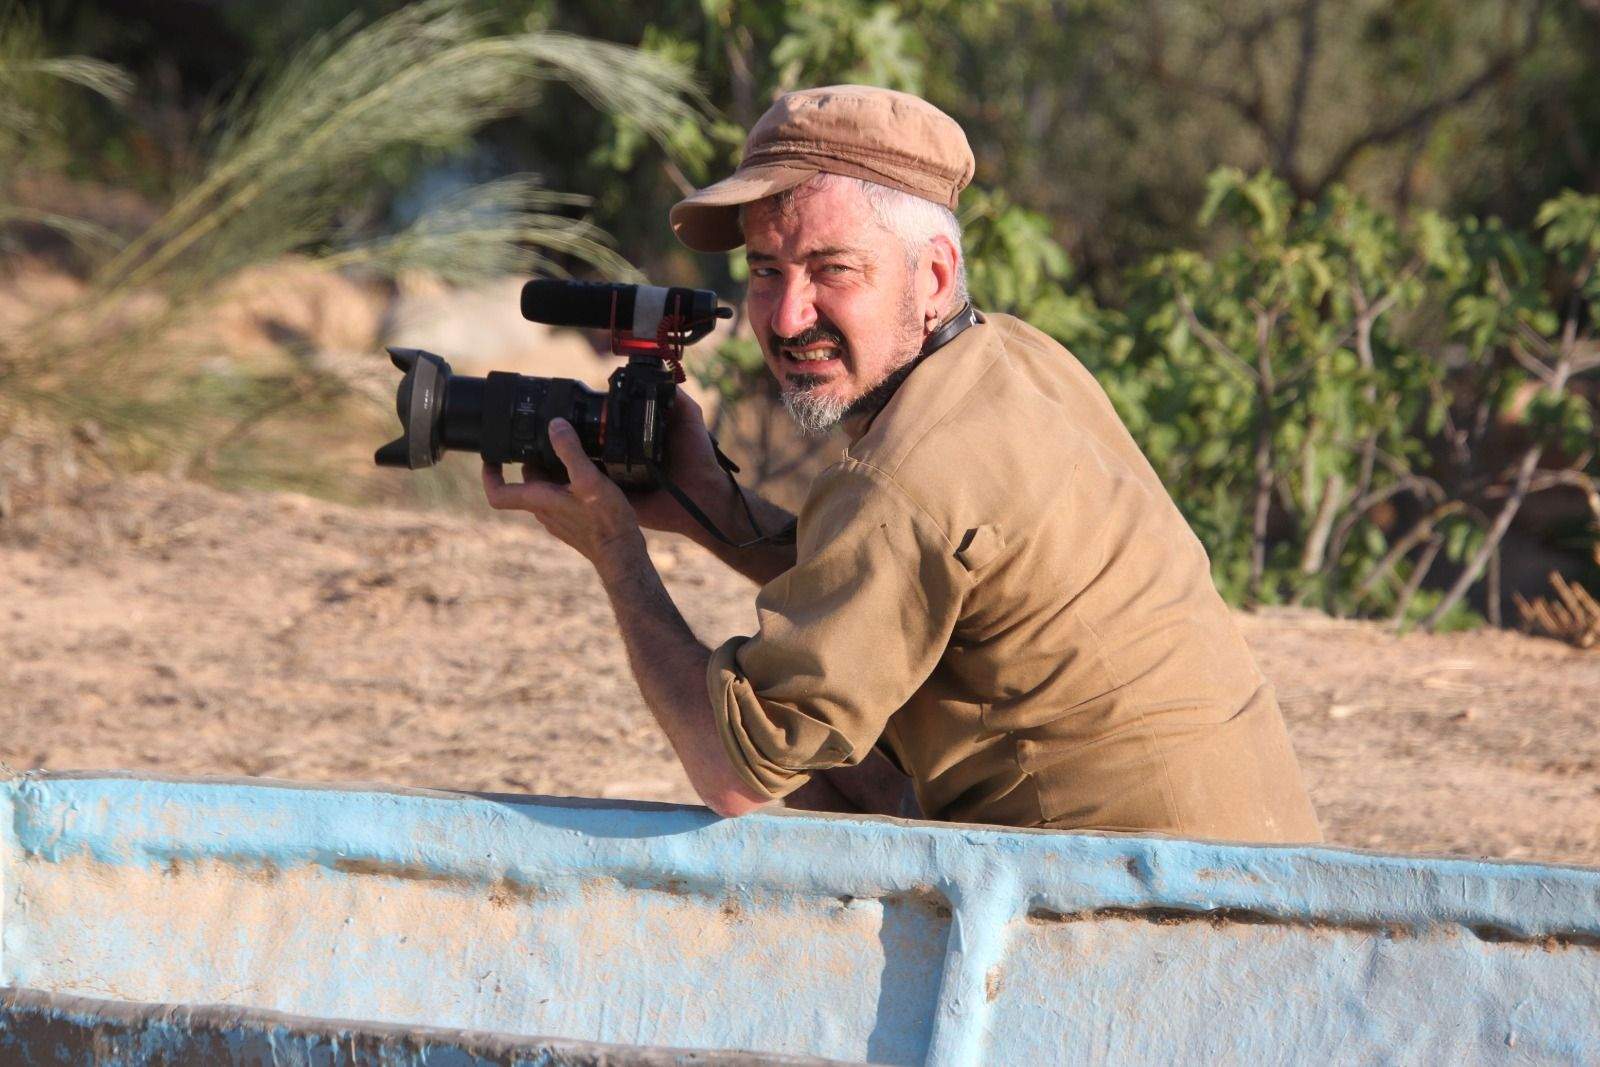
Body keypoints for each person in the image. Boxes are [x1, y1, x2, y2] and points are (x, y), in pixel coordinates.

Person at [483, 85, 1322, 842]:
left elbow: (733, 773)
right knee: (833, 753)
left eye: (831, 269)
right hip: (1254, 858)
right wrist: (709, 501)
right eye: (766, 270)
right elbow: (873, 578)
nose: (786, 315)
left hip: (1145, 915)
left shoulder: (910, 475)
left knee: (797, 762)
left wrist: (617, 555)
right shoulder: (1018, 359)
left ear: (933, 274)